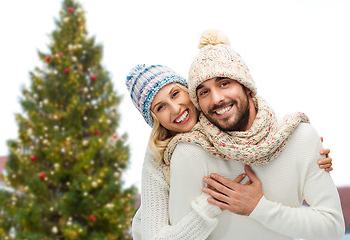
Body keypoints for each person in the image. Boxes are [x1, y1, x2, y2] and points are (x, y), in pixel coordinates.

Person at [165, 29, 345, 239]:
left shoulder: (299, 137)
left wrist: (258, 208)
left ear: (247, 87)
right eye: (204, 92)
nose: (216, 99)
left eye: (224, 83)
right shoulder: (190, 152)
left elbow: (332, 228)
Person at [126, 64, 334, 239]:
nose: (175, 108)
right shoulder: (160, 155)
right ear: (155, 120)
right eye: (161, 107)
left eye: (175, 94)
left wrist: (305, 147)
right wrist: (212, 204)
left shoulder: (224, 121)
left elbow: (266, 133)